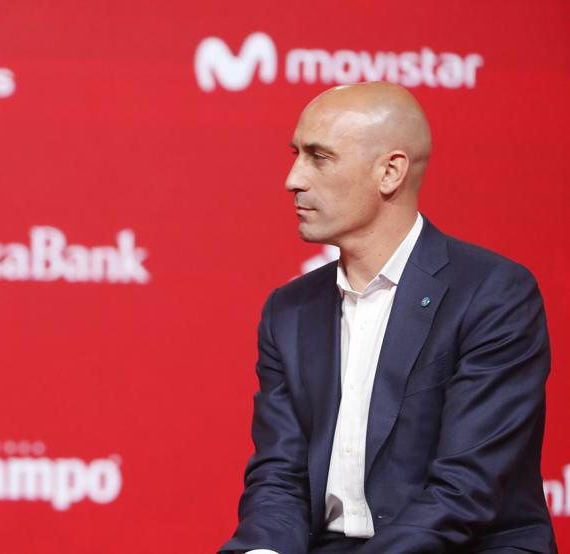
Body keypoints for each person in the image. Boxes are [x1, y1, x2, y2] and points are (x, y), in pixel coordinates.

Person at [220, 82, 555, 553]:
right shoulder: (289, 310)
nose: (293, 179)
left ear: (390, 172)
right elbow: (279, 477)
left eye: (319, 157)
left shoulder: (492, 294)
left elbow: (465, 491)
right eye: (296, 155)